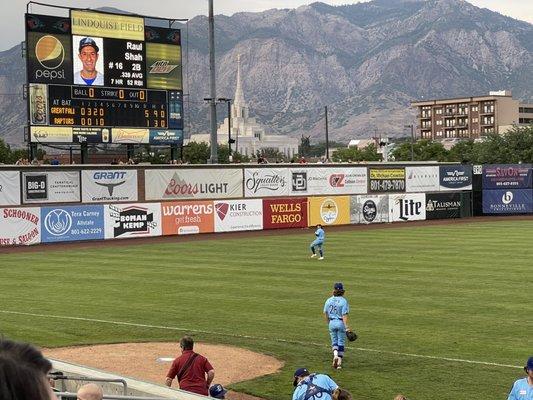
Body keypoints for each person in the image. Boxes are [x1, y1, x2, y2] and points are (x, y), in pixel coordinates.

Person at [324, 282, 350, 369]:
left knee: (334, 341)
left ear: (334, 290)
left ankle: (335, 355)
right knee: (341, 342)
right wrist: (347, 327)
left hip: (331, 323)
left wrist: (328, 323)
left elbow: (325, 313)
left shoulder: (328, 300)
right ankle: (339, 362)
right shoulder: (343, 301)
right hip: (340, 323)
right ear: (342, 291)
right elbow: (344, 315)